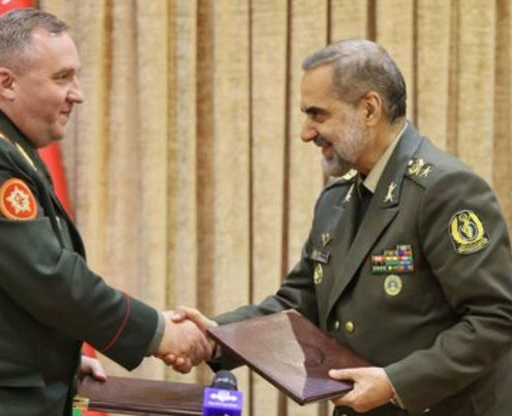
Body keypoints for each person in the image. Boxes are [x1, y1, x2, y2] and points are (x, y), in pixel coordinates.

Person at [0, 8, 210, 416]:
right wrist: (158, 332)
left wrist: (57, 363)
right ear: (6, 83)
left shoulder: (6, 148)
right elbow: (49, 276)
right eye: (62, 78)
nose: (77, 93)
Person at [172, 39, 512, 416]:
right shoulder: (336, 200)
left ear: (369, 109)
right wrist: (216, 335)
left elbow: (496, 318)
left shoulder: (445, 190)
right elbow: (299, 305)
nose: (306, 133)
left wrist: (396, 383)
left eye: (318, 115)